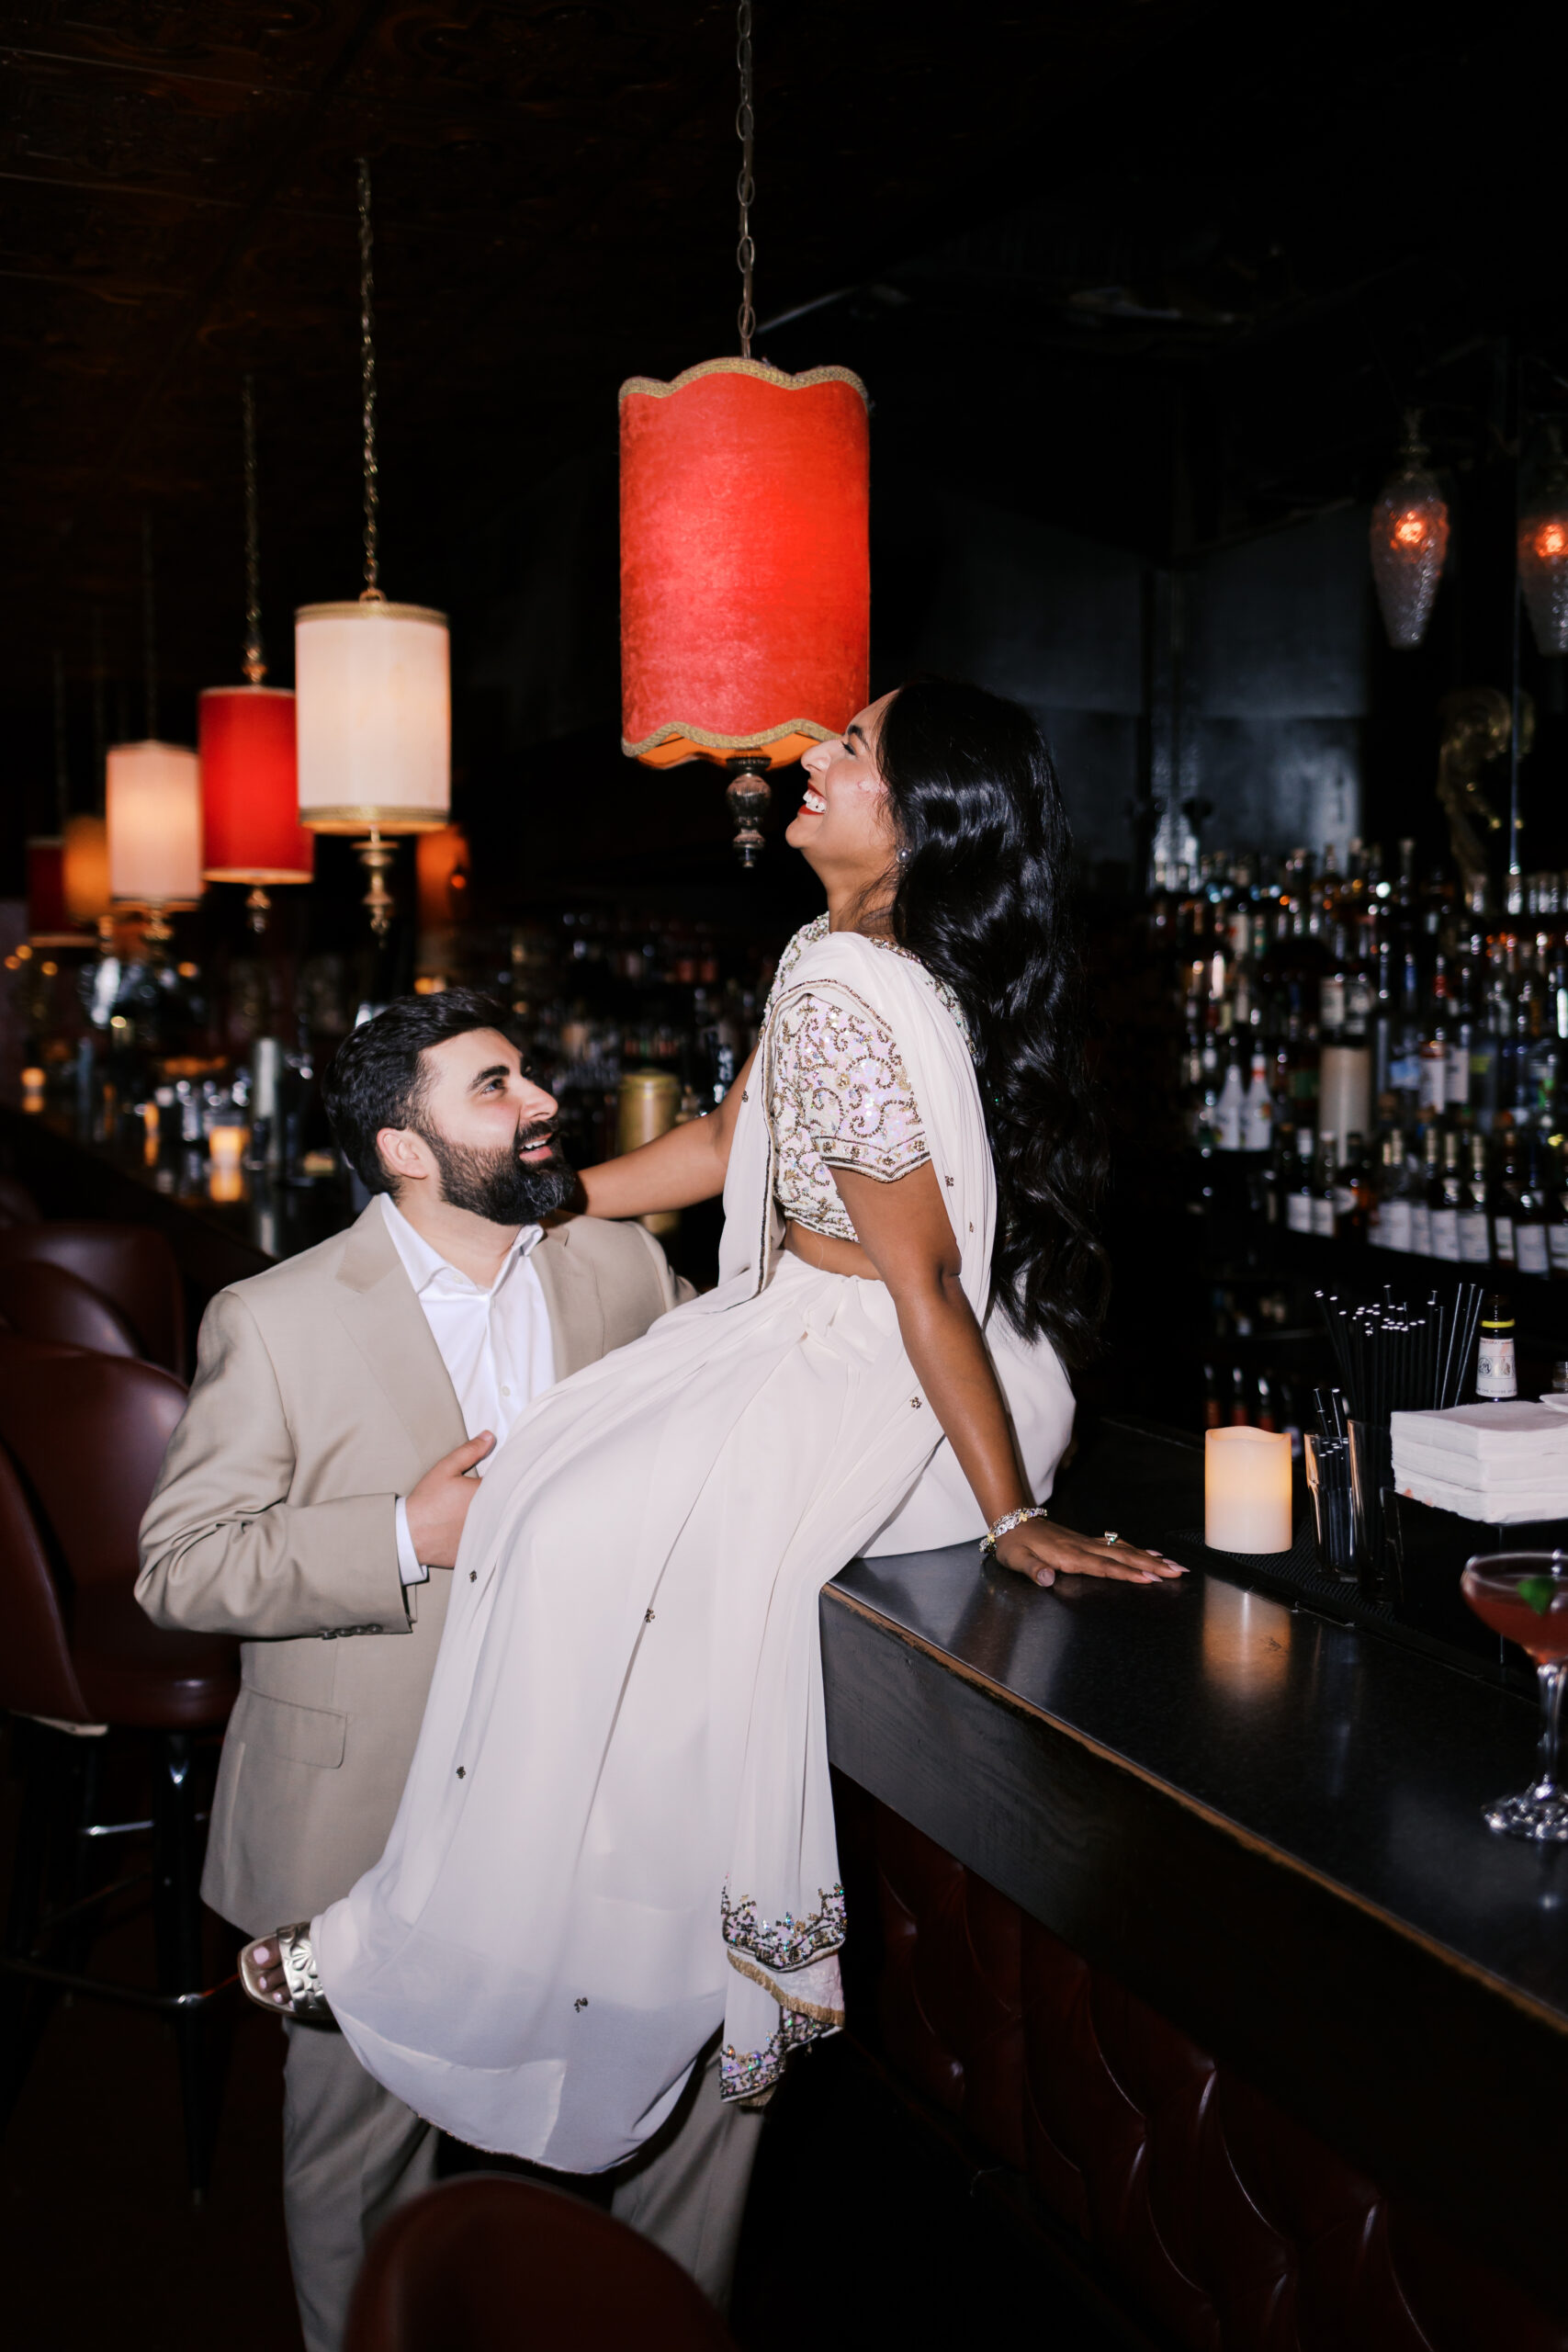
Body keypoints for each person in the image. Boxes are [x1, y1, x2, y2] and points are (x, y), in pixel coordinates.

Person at [242, 680, 1183, 2303]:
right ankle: (582, 1937)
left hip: (875, 1365)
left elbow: (922, 1281)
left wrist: (1012, 1508)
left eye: (856, 750)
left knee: (565, 1517)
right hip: (842, 1331)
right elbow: (727, 1148)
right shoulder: (841, 965)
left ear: (922, 813)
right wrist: (537, 1212)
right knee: (555, 1486)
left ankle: (469, 1941)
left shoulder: (844, 982)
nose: (812, 760)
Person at [137, 991, 706, 2352]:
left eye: (528, 1076)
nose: (540, 1104)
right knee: (355, 2159)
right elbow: (179, 1569)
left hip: (591, 1786)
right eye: (495, 1086)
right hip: (370, 1814)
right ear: (405, 1145)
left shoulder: (619, 1271)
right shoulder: (274, 1320)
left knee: (685, 2093)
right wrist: (405, 1532)